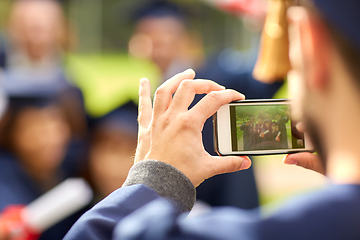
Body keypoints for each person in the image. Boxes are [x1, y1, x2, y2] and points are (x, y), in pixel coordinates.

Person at [61, 0, 360, 238]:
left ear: (310, 44)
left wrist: (153, 182)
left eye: (166, 36)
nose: (159, 44)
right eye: (151, 37)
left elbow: (264, 75)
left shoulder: (217, 77)